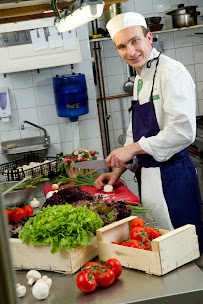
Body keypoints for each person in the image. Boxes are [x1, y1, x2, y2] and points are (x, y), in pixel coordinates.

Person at [94, 12, 203, 254]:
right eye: (121, 46)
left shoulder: (172, 72)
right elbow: (136, 131)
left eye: (135, 41)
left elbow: (183, 132)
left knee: (185, 253)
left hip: (174, 178)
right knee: (160, 248)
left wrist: (131, 149)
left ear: (149, 38)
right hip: (149, 180)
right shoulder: (140, 78)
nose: (130, 52)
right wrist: (117, 170)